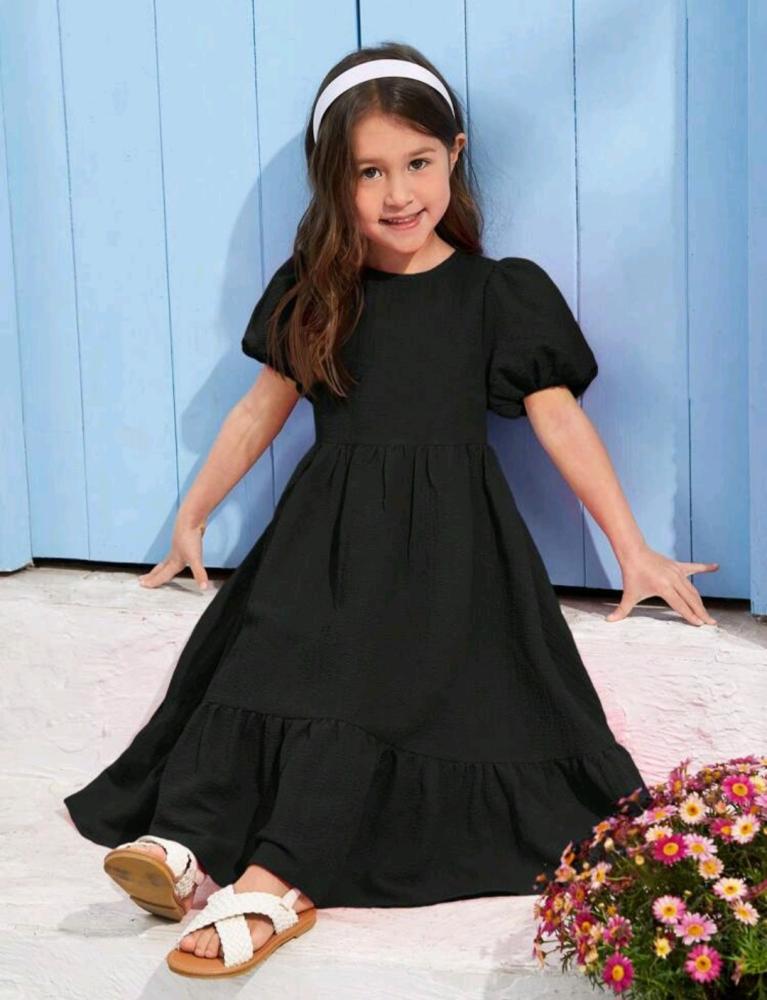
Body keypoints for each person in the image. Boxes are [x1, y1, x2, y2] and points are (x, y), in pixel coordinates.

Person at [62, 41, 719, 979]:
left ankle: (276, 876)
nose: (398, 193)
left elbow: (558, 420)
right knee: (254, 664)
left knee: (358, 692)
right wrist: (194, 514)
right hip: (322, 537)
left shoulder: (497, 292)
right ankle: (187, 844)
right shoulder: (319, 290)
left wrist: (633, 550)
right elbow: (260, 409)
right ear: (334, 179)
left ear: (454, 154)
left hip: (447, 551)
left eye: (417, 163)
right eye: (369, 172)